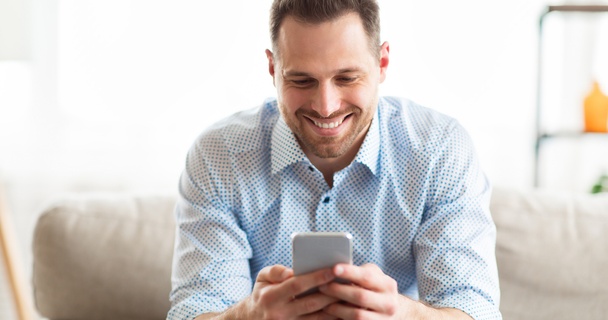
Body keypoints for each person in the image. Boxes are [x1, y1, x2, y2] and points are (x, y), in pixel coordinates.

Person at [168, 0, 501, 319]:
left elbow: (473, 309)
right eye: (301, 80)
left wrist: (402, 314)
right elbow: (196, 308)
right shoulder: (218, 157)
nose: (325, 106)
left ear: (382, 64)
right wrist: (247, 317)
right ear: (273, 69)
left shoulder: (439, 151)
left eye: (347, 78)